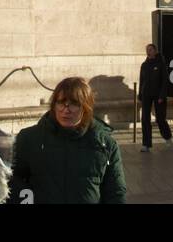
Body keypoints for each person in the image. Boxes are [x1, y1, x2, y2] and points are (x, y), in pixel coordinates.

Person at [7, 76, 125, 204]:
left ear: (86, 107)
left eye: (74, 104)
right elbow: (12, 181)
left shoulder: (105, 145)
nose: (66, 110)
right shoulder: (29, 139)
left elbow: (115, 193)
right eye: (61, 102)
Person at [138, 43, 172, 151]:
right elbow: (141, 80)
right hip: (146, 94)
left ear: (155, 51)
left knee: (160, 119)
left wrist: (162, 95)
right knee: (145, 119)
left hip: (158, 95)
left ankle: (167, 136)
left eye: (151, 49)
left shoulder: (161, 64)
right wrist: (140, 94)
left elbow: (165, 81)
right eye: (147, 50)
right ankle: (146, 144)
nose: (148, 51)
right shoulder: (144, 65)